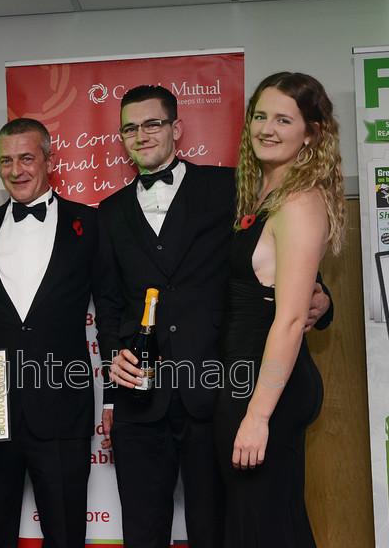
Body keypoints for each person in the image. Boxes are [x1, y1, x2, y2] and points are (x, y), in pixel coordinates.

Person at [96, 85, 333, 547]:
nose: (141, 135)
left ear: (176, 129)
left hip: (218, 391)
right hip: (139, 401)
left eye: (152, 124)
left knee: (220, 530)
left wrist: (322, 300)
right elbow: (108, 302)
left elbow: (283, 266)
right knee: (141, 531)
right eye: (130, 128)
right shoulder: (108, 213)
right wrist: (113, 353)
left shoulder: (231, 189)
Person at [0, 118, 98, 548]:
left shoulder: (89, 224)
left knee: (67, 535)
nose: (16, 170)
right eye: (6, 160)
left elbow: (110, 308)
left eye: (27, 157)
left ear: (50, 160)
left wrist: (119, 399)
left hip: (62, 405)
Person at [212, 72, 346, 547]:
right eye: (260, 116)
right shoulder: (267, 193)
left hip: (266, 388)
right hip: (246, 379)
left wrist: (257, 416)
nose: (267, 128)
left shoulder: (299, 202)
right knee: (268, 525)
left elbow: (289, 319)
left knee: (262, 527)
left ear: (310, 132)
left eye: (283, 119)